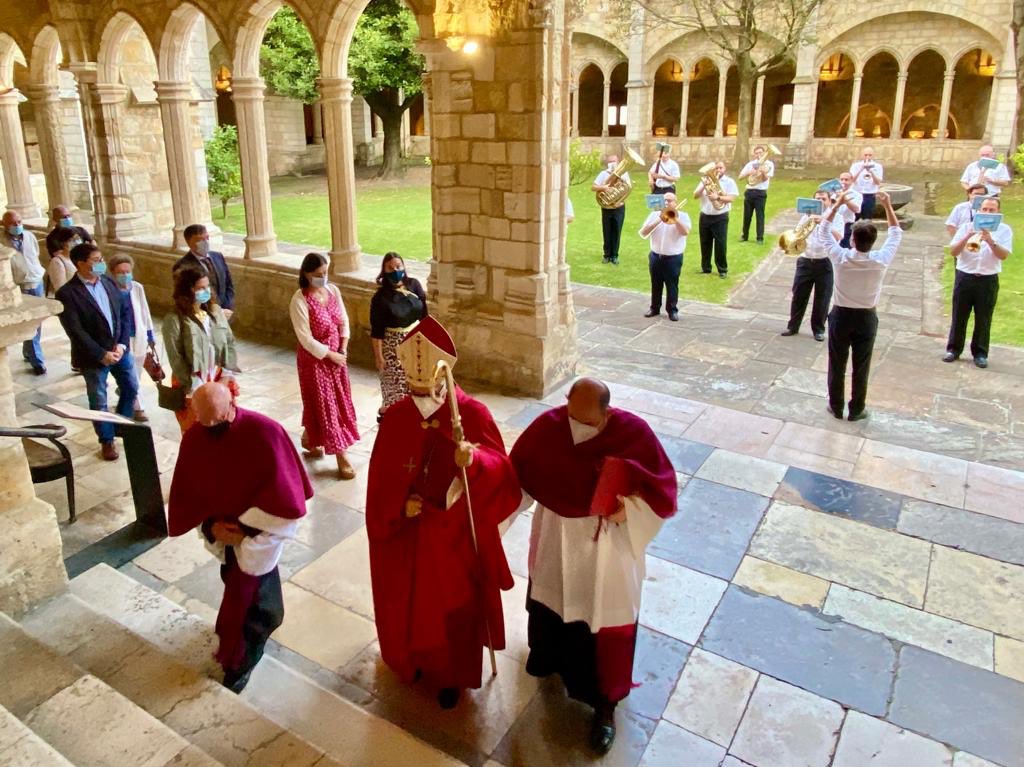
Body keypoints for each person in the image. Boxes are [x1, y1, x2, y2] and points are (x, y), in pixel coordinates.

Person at [509, 377, 677, 755]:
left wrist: (627, 511)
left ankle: (604, 705)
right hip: (556, 535)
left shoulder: (635, 434)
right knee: (553, 604)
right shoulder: (548, 428)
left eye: (588, 423)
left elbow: (662, 490)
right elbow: (516, 477)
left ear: (606, 412)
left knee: (602, 617)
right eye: (572, 417)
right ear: (566, 400)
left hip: (607, 548)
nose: (577, 430)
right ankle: (548, 660)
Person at [366, 316, 520, 710]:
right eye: (414, 387)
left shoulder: (470, 414)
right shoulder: (397, 417)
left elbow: (504, 473)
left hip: (455, 539)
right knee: (411, 605)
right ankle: (412, 660)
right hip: (408, 539)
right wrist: (400, 505)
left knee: (452, 608)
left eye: (427, 386)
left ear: (443, 375)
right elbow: (379, 482)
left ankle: (454, 677)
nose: (420, 395)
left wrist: (474, 460)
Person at [167, 381, 312, 694]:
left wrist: (246, 531)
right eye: (204, 423)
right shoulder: (196, 436)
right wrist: (211, 528)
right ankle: (240, 655)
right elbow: (191, 492)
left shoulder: (265, 432)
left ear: (232, 404)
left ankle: (243, 655)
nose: (211, 430)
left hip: (259, 535)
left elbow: (284, 495)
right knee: (236, 586)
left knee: (262, 605)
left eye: (218, 421)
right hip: (224, 536)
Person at [818, 191, 901, 422]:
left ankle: (835, 406)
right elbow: (895, 234)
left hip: (841, 315)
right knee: (861, 365)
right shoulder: (880, 260)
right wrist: (887, 205)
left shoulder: (840, 257)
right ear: (872, 242)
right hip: (866, 317)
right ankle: (856, 409)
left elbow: (823, 230)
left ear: (852, 240)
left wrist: (837, 205)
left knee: (837, 363)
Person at [55, 242, 138, 461]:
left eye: (101, 259)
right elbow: (76, 331)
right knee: (98, 398)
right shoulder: (67, 294)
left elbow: (123, 314)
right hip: (94, 357)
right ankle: (106, 440)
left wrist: (121, 344)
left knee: (131, 387)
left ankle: (121, 423)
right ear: (80, 264)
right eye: (96, 261)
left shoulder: (109, 282)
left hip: (119, 350)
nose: (101, 264)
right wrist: (101, 354)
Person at [289, 253, 359, 480]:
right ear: (306, 274)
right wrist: (329, 355)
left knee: (338, 401)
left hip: (337, 357)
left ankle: (310, 436)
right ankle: (341, 455)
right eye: (317, 275)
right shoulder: (299, 300)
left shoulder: (333, 291)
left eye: (325, 273)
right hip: (315, 361)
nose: (323, 278)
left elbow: (343, 320)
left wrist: (344, 347)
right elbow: (305, 339)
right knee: (326, 404)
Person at [163, 266, 239, 433]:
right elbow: (176, 358)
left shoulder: (215, 311)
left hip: (219, 378)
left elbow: (229, 342)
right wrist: (197, 386)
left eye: (207, 287)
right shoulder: (174, 319)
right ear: (187, 291)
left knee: (224, 425)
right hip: (192, 382)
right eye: (200, 288)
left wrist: (226, 376)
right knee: (196, 430)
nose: (206, 291)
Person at [944, 196, 1012, 369]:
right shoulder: (966, 227)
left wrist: (989, 239)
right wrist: (968, 236)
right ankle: (953, 349)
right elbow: (953, 251)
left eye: (992, 210)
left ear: (998, 213)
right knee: (959, 314)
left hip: (988, 279)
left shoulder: (1004, 230)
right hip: (965, 276)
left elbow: (1003, 255)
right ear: (979, 211)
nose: (988, 212)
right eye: (985, 209)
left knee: (984, 317)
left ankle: (980, 353)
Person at [370, 252, 428, 416]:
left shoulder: (414, 285)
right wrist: (379, 357)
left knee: (416, 385)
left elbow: (424, 315)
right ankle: (392, 417)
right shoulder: (380, 298)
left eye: (398, 266)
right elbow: (377, 331)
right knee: (396, 388)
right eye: (390, 268)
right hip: (393, 346)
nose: (395, 270)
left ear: (403, 267)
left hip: (415, 342)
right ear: (384, 271)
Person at [781, 190, 842, 341]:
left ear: (829, 201)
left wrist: (823, 222)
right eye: (817, 199)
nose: (820, 202)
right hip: (806, 260)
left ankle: (818, 329)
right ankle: (793, 326)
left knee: (823, 298)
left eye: (823, 199)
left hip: (824, 261)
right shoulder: (806, 216)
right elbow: (798, 235)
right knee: (798, 295)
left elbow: (839, 236)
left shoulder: (837, 217)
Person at [109, 255, 156, 422]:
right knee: (131, 376)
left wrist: (151, 334)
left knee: (136, 373)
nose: (125, 275)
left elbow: (145, 311)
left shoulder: (137, 288)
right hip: (122, 340)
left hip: (139, 336)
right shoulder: (109, 290)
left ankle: (126, 396)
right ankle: (139, 408)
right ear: (113, 273)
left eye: (127, 271)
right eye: (120, 272)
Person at [2, 210, 47, 375]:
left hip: (36, 280)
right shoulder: (1, 241)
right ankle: (37, 360)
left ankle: (30, 351)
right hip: (17, 284)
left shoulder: (29, 236)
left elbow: (34, 254)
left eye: (19, 222)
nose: (17, 226)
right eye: (13, 223)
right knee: (27, 319)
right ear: (4, 224)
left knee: (37, 320)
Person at [639, 192, 691, 321]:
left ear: (676, 202)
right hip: (656, 256)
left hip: (673, 258)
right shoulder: (654, 215)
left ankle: (672, 310)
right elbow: (643, 233)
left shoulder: (683, 216)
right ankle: (654, 308)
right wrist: (659, 219)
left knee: (672, 285)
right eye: (665, 200)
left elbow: (685, 232)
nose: (667, 203)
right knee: (655, 283)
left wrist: (675, 219)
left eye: (670, 200)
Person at [173, 224, 235, 319]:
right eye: (200, 240)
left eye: (207, 238)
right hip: (202, 316)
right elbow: (185, 296)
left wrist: (227, 307)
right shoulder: (182, 266)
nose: (205, 242)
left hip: (225, 314)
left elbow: (228, 284)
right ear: (189, 242)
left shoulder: (218, 256)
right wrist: (214, 311)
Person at [694, 160, 738, 278]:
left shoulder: (729, 182)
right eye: (716, 168)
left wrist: (717, 197)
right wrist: (703, 185)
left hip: (720, 217)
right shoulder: (705, 180)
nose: (718, 170)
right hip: (705, 216)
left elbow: (732, 198)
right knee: (705, 243)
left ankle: (722, 270)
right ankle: (706, 268)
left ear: (725, 169)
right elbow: (695, 196)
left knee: (720, 244)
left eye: (721, 168)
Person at [591, 155, 628, 265]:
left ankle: (614, 255)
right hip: (606, 206)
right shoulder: (603, 174)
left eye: (614, 161)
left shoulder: (624, 173)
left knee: (617, 231)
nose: (612, 163)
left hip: (618, 206)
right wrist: (603, 187)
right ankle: (606, 255)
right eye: (610, 161)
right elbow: (593, 187)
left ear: (618, 162)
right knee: (606, 231)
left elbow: (628, 188)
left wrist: (619, 200)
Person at [738, 145, 775, 243]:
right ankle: (744, 236)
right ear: (754, 154)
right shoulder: (751, 164)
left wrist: (762, 172)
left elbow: (765, 179)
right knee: (747, 216)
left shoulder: (769, 164)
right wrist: (749, 172)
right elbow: (740, 177)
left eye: (760, 152)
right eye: (757, 153)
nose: (759, 154)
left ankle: (759, 238)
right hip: (749, 192)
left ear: (764, 153)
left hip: (760, 193)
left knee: (760, 216)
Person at [849, 147, 883, 221]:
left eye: (870, 155)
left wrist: (871, 171)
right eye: (866, 155)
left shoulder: (878, 166)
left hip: (869, 195)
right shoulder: (855, 165)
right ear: (862, 155)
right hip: (856, 194)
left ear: (873, 156)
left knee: (867, 219)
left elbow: (878, 182)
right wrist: (861, 169)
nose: (868, 157)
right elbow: (851, 180)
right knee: (853, 218)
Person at [46, 226, 79, 296]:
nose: (76, 242)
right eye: (71, 240)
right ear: (63, 243)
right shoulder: (57, 262)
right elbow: (61, 290)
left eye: (77, 239)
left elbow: (99, 273)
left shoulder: (80, 257)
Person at [834, 172, 862, 248]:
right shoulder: (833, 193)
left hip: (847, 225)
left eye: (846, 180)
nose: (843, 182)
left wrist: (844, 198)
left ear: (851, 181)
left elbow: (856, 209)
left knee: (845, 250)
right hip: (834, 224)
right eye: (841, 179)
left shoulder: (857, 195)